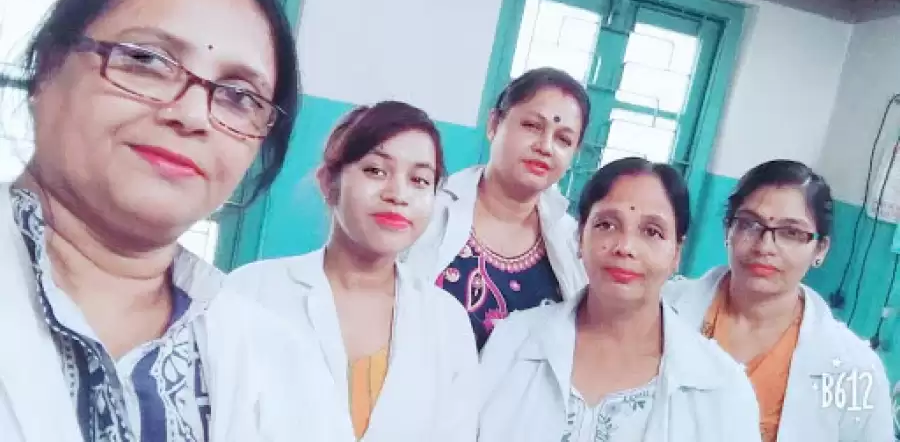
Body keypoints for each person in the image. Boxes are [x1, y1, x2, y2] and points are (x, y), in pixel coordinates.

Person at [0, 0, 333, 441]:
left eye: (239, 96)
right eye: (146, 60)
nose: (192, 115)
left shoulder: (283, 366)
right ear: (48, 68)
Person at [227, 101, 478, 442]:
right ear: (329, 183)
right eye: (375, 170)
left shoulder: (447, 322)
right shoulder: (251, 292)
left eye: (419, 180)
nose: (398, 194)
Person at [478, 157, 761, 442]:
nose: (625, 247)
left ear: (676, 253)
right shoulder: (513, 342)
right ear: (580, 238)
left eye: (652, 232)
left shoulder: (722, 390)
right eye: (606, 225)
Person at [664, 160, 892, 441]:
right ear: (728, 231)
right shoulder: (659, 309)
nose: (765, 246)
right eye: (750, 224)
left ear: (820, 249)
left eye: (791, 233)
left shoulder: (855, 369)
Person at [402, 67, 590, 349]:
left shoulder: (575, 242)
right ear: (493, 124)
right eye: (532, 126)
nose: (546, 147)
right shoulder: (427, 209)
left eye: (563, 139)